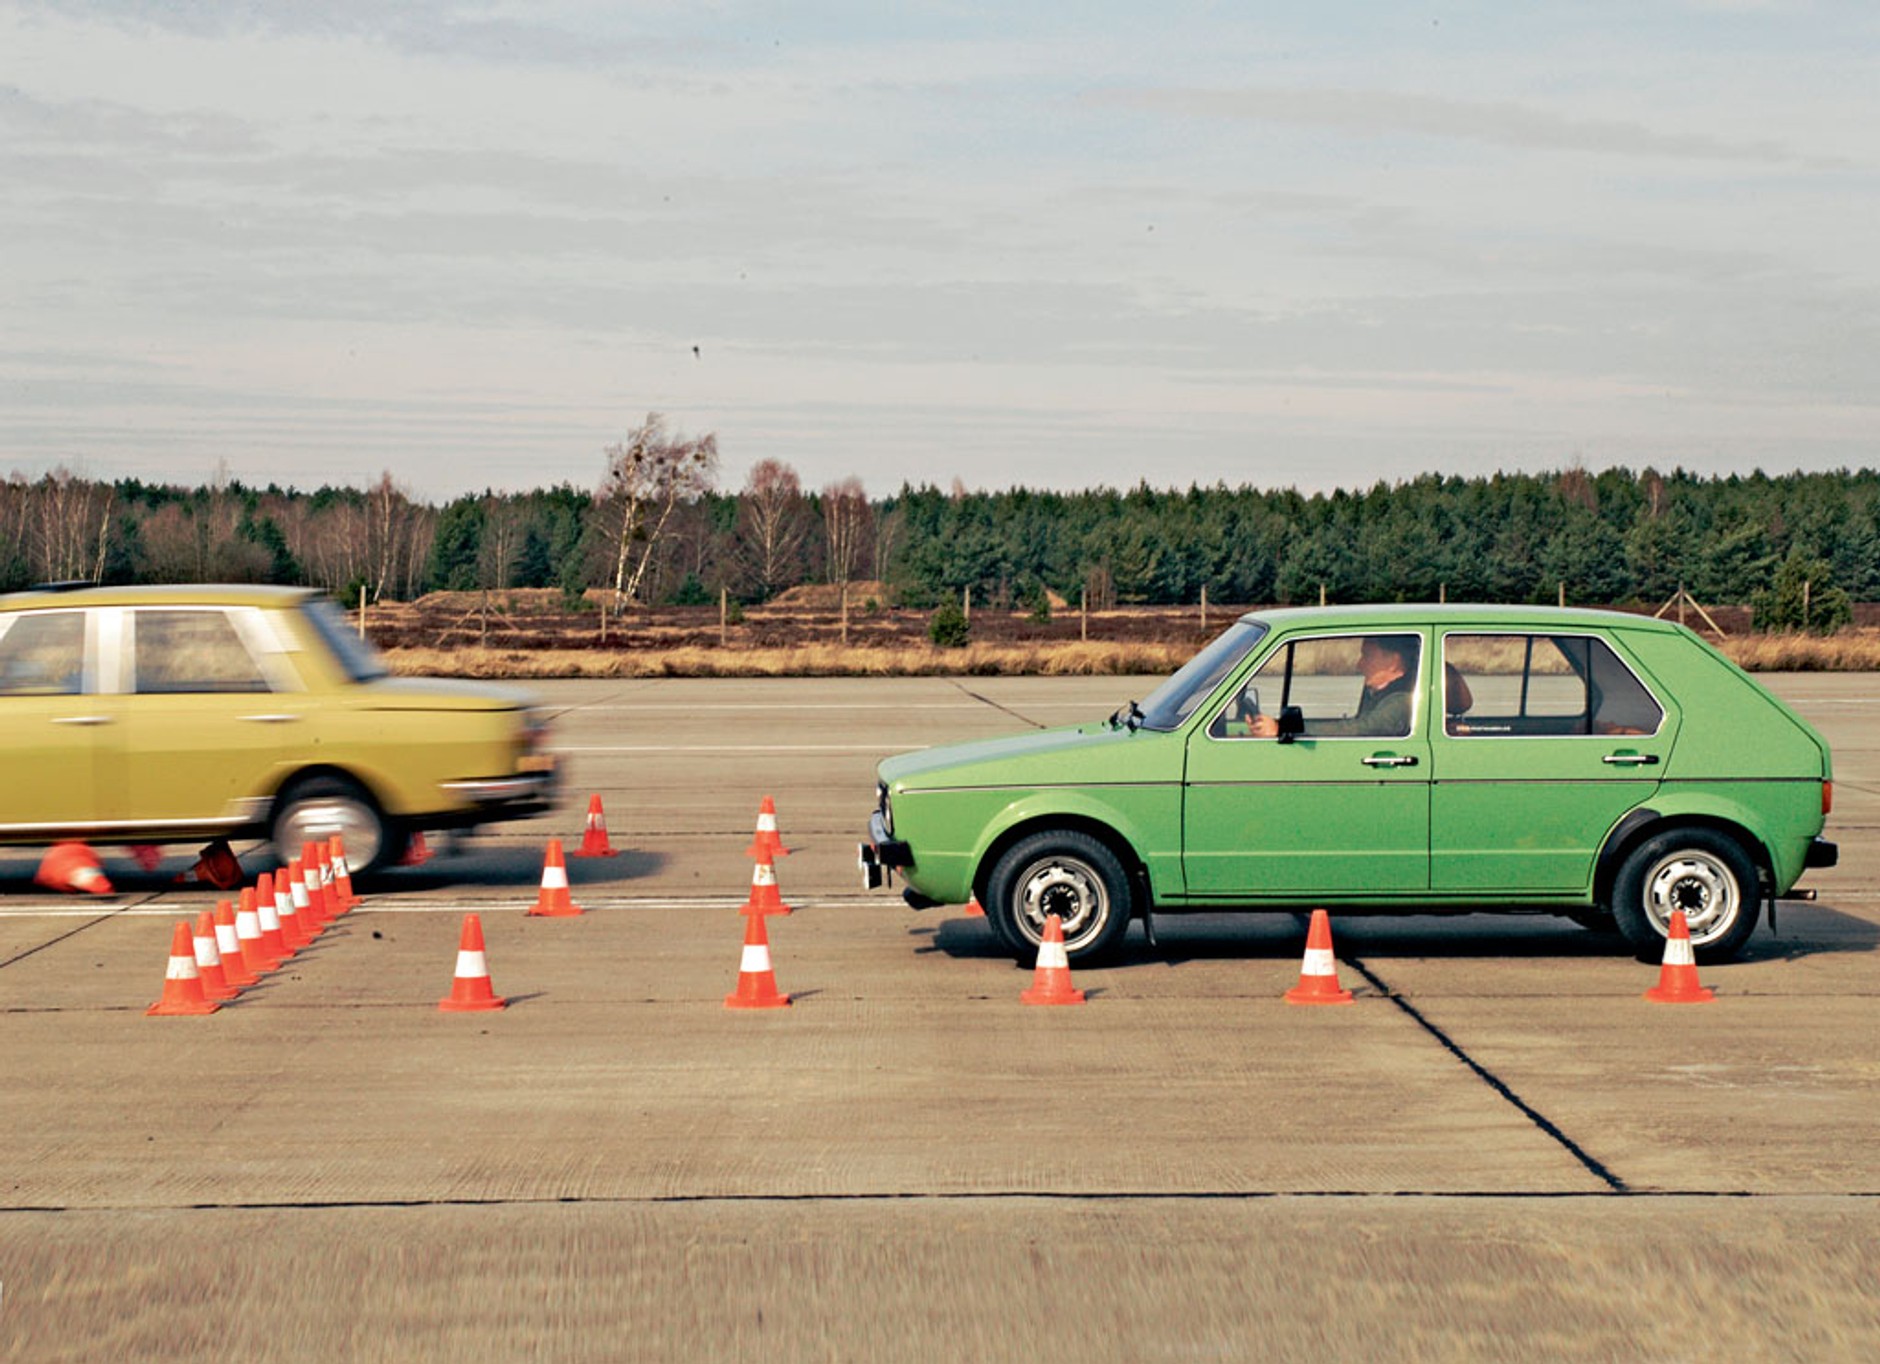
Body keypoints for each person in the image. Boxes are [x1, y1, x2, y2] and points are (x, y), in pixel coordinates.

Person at [1249, 635, 1419, 739]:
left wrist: (1283, 728)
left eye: (1367, 656)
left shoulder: (1402, 700)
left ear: (1393, 662)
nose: (1360, 664)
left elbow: (1361, 729)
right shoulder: (1378, 692)